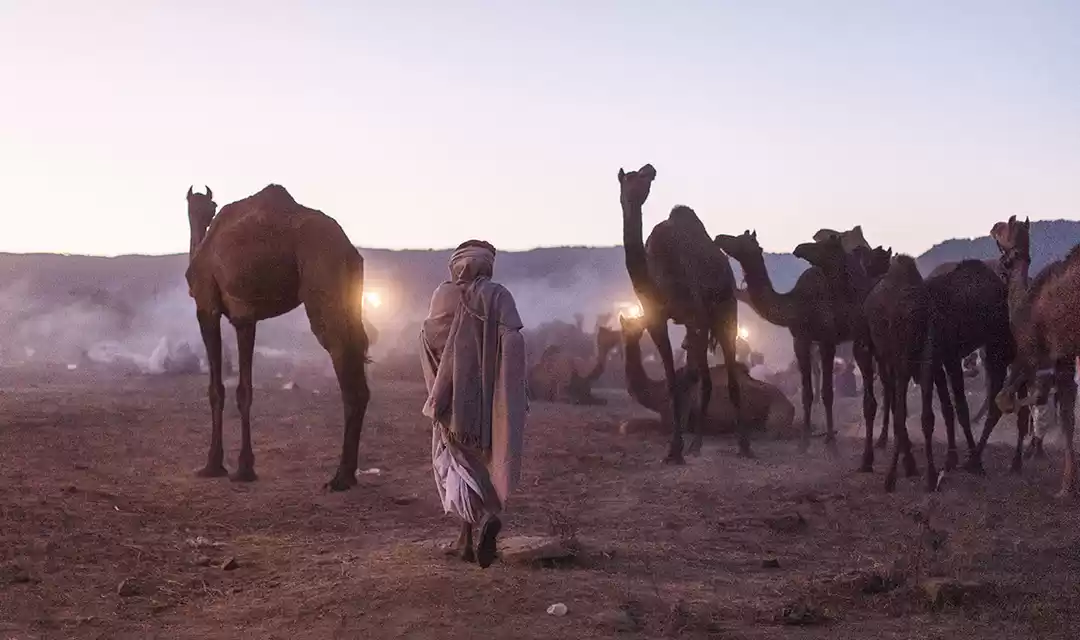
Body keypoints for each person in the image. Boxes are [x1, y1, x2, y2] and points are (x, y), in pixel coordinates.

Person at [419, 240, 528, 568]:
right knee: (484, 461)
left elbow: (429, 338)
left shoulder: (443, 294)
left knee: (457, 464)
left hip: (451, 397)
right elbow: (514, 341)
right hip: (490, 400)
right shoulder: (499, 296)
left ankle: (471, 532)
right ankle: (475, 530)